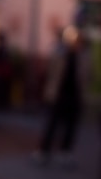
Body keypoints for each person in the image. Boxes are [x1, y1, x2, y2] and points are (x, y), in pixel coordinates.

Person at [33, 24, 88, 168]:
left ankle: (65, 152)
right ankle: (44, 151)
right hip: (58, 94)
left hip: (74, 95)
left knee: (71, 126)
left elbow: (86, 75)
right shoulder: (59, 53)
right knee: (52, 123)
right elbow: (50, 71)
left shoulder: (82, 56)